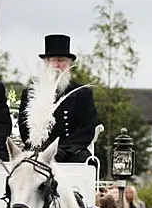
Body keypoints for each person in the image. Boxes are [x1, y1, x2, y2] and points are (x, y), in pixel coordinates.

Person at [17, 34, 98, 162]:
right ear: (46, 62)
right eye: (52, 60)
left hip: (71, 152)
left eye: (61, 60)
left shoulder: (82, 93)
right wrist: (46, 148)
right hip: (40, 150)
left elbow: (87, 128)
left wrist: (64, 150)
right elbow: (25, 128)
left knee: (87, 161)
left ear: (69, 63)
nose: (56, 64)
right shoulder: (30, 94)